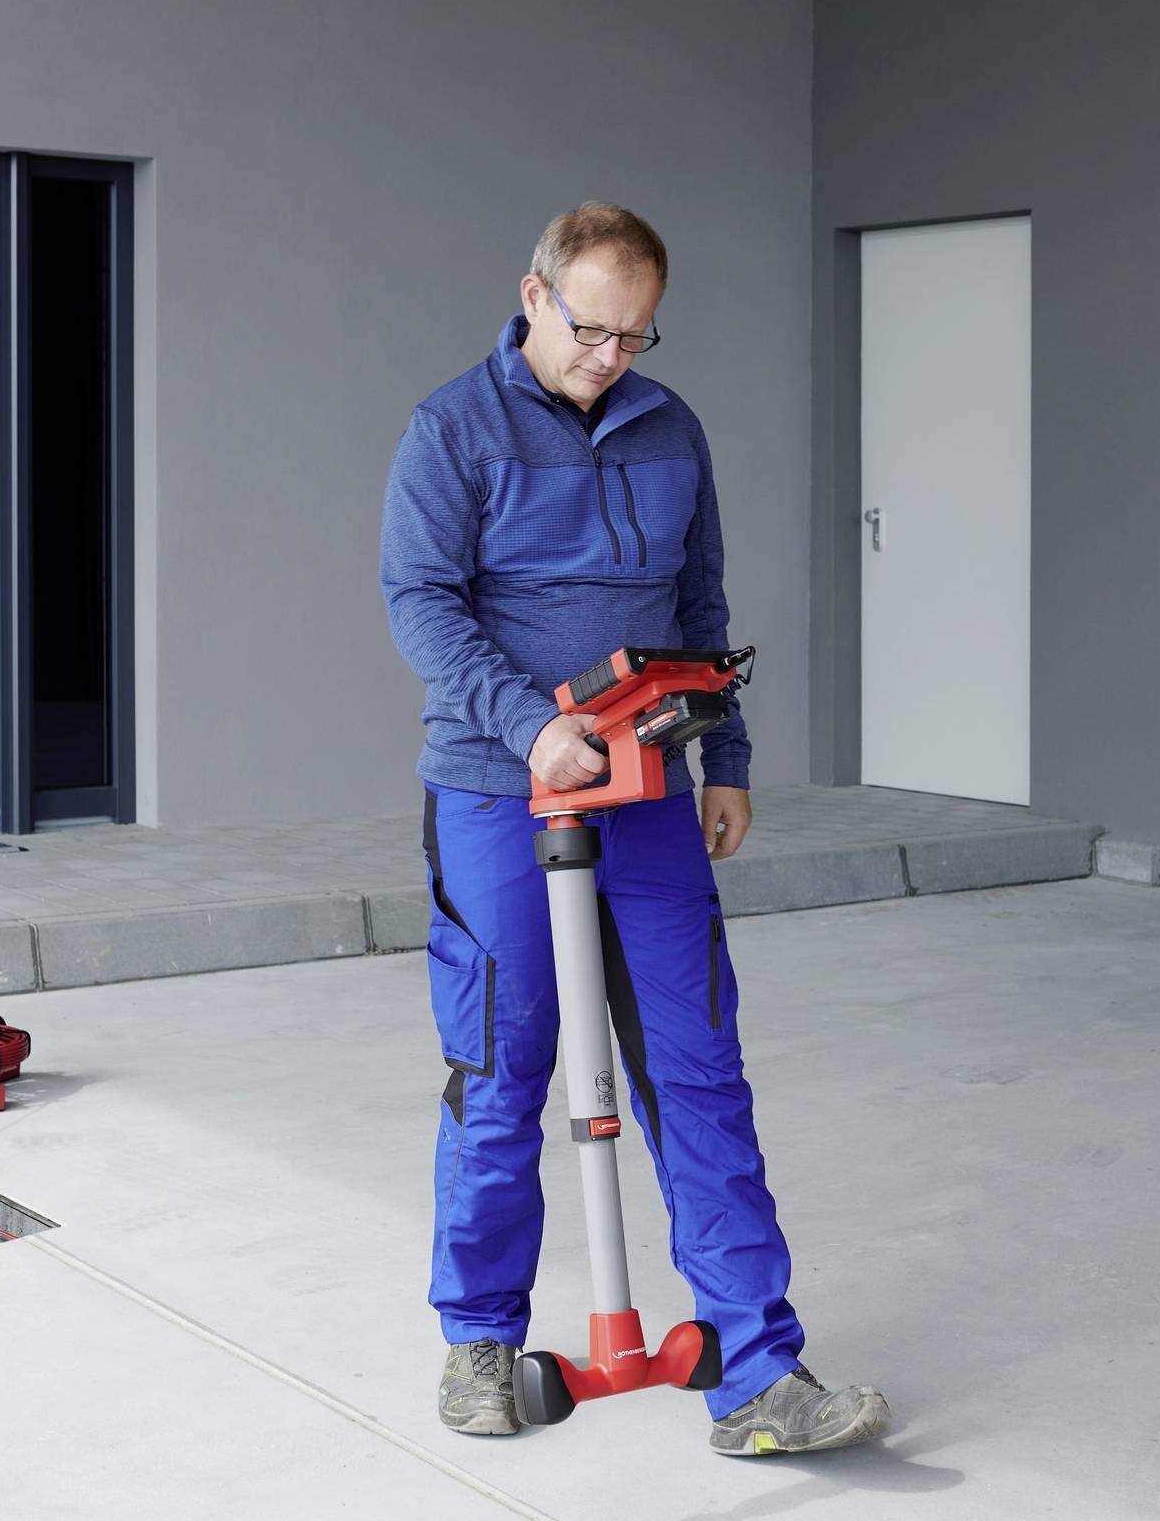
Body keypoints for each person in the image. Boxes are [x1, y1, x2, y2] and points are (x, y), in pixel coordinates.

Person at [378, 202, 891, 1457]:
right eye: (593, 329)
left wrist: (727, 753)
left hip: (650, 787)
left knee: (699, 1065)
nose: (612, 357)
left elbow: (702, 599)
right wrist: (523, 726)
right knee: (502, 1068)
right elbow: (420, 598)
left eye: (637, 336)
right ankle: (481, 1341)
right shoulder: (454, 427)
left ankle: (760, 1370)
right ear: (535, 295)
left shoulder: (674, 429)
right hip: (505, 791)